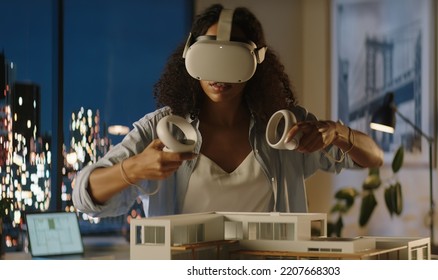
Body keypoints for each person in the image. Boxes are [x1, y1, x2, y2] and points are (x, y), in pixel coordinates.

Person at [72, 4, 383, 218]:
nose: (219, 76)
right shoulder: (160, 130)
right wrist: (134, 168)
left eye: (232, 61)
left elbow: (374, 158)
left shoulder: (286, 130)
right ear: (190, 58)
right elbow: (83, 197)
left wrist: (338, 133)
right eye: (209, 59)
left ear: (256, 62)